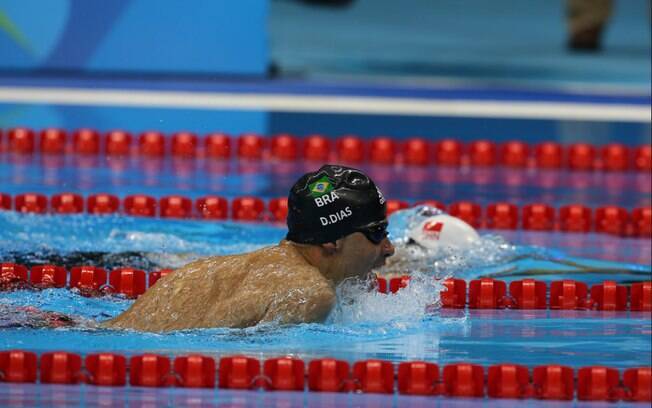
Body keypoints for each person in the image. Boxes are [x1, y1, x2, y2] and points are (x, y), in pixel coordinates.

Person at [101, 164, 395, 331]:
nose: (389, 248)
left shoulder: (216, 268)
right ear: (332, 240)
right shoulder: (312, 294)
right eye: (376, 232)